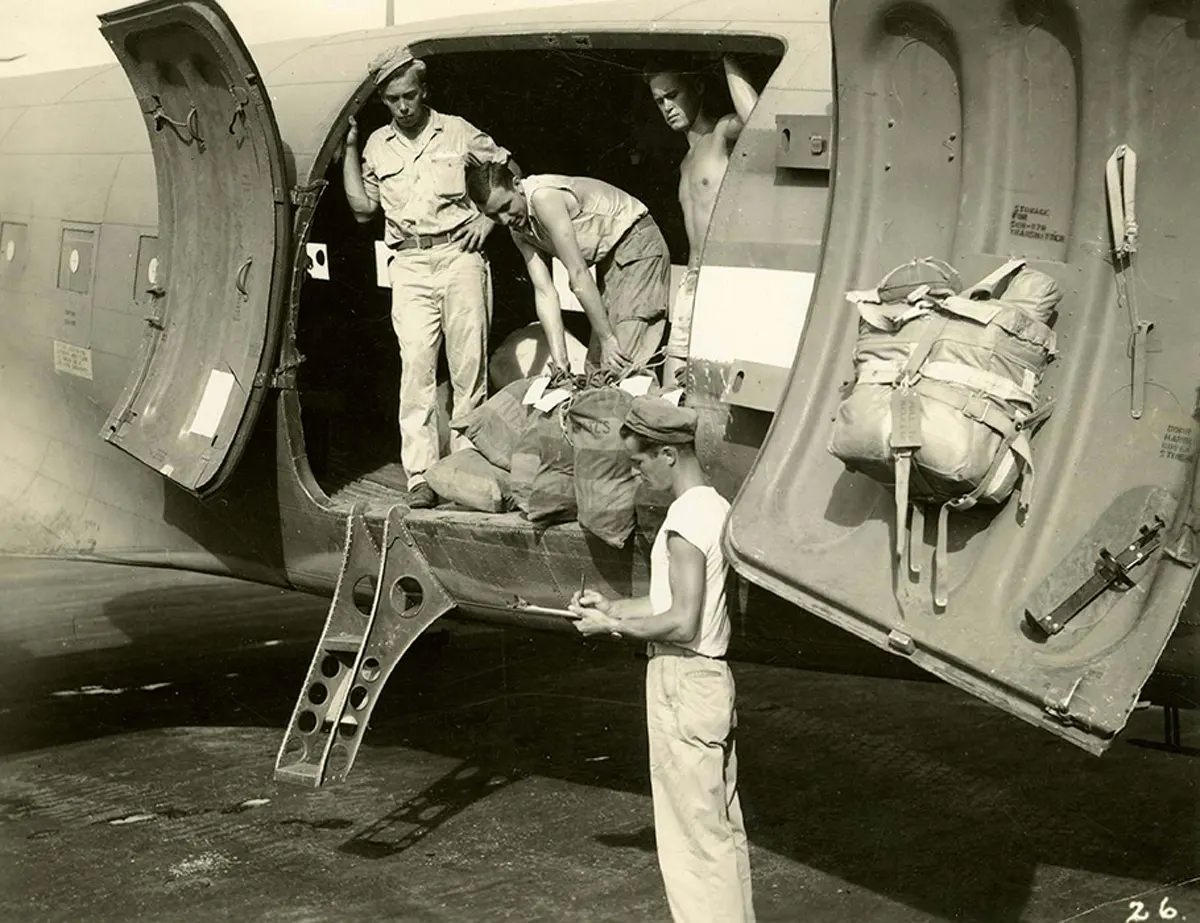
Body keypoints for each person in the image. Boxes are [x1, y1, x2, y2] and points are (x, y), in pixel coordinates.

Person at [569, 397, 753, 923]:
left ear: (669, 454)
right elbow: (667, 602)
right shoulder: (715, 507)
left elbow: (682, 621)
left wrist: (612, 626)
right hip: (711, 681)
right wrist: (613, 606)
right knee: (719, 831)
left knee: (692, 845)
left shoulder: (684, 519)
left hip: (683, 677)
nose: (636, 473)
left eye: (639, 462)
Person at [342, 46, 512, 508]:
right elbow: (362, 209)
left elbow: (509, 169)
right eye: (394, 99)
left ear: (424, 91)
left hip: (460, 255)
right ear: (384, 100)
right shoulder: (378, 145)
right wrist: (351, 149)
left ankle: (465, 471)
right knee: (415, 369)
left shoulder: (457, 132)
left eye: (411, 96)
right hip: (411, 265)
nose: (404, 106)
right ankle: (420, 475)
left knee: (467, 370)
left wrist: (491, 220)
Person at [465, 163, 669, 375]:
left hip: (637, 245)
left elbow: (578, 274)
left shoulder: (543, 198)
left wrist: (607, 338)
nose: (504, 219)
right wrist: (560, 361)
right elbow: (545, 292)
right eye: (493, 216)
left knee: (621, 364)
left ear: (517, 185)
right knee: (595, 368)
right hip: (610, 262)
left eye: (506, 207)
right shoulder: (518, 231)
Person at [646, 57, 759, 384]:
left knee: (720, 379)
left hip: (726, 278)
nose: (666, 107)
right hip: (693, 281)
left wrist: (730, 58)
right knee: (673, 378)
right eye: (659, 101)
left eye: (672, 95)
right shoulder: (685, 161)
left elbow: (758, 120)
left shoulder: (722, 133)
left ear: (696, 87)